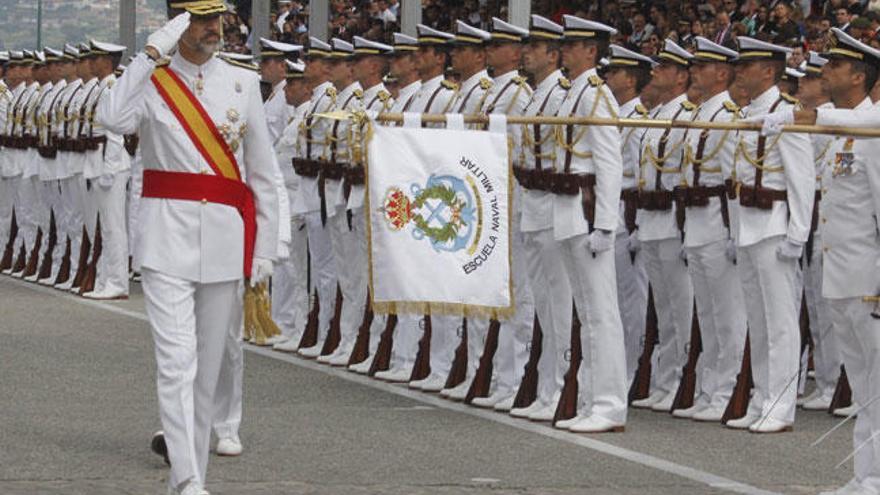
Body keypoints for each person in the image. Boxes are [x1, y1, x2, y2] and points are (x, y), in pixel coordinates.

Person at [96, 1, 280, 493]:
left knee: (209, 367)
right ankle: (188, 480)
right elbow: (110, 119)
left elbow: (263, 173)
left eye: (215, 19)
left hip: (224, 239)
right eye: (198, 20)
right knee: (177, 362)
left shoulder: (241, 83)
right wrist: (151, 52)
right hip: (165, 239)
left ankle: (193, 470)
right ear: (178, 24)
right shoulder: (152, 80)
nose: (210, 29)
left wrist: (266, 247)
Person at [725, 36, 813, 434]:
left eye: (749, 65)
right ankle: (761, 397)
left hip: (775, 225)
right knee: (758, 321)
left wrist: (798, 233)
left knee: (780, 322)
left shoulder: (787, 113)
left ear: (769, 71)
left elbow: (801, 178)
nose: (740, 72)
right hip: (748, 225)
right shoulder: (749, 112)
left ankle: (781, 404)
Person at [549, 16, 627, 434]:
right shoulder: (573, 93)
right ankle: (591, 398)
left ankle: (610, 403)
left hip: (586, 212)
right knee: (587, 314)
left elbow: (609, 164)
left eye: (574, 44)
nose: (565, 49)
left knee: (601, 314)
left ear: (591, 51)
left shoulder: (596, 94)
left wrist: (606, 225)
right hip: (568, 210)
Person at [676, 37, 748, 422]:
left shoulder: (729, 116)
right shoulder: (701, 113)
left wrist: (734, 233)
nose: (694, 72)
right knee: (707, 314)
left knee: (727, 314)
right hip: (697, 223)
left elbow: (732, 180)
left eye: (702, 67)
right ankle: (709, 389)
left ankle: (727, 390)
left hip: (718, 223)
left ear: (722, 73)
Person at [507, 14, 573, 420]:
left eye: (534, 48)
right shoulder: (534, 96)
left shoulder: (563, 96)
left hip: (553, 207)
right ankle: (548, 386)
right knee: (545, 305)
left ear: (553, 55)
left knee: (558, 304)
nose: (526, 53)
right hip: (532, 205)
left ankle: (563, 387)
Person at [629, 39, 696, 415]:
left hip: (673, 221)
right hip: (652, 220)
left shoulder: (686, 115)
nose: (656, 73)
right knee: (666, 309)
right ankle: (666, 380)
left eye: (664, 68)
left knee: (681, 310)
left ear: (680, 76)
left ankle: (682, 380)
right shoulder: (657, 116)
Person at [600, 43, 653, 396]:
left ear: (630, 79)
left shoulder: (639, 121)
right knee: (614, 300)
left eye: (615, 72)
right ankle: (617, 369)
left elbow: (642, 179)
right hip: (611, 214)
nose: (607, 77)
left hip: (628, 219)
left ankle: (632, 371)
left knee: (630, 302)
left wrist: (637, 227)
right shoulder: (614, 116)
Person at [793, 51, 840, 413]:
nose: (800, 84)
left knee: (830, 309)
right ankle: (827, 381)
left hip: (831, 218)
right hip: (813, 218)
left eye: (807, 79)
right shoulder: (810, 124)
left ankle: (837, 382)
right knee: (816, 306)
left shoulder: (836, 124)